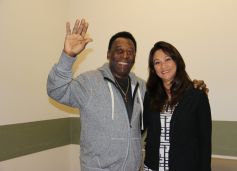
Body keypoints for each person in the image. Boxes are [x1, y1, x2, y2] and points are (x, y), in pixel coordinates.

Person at [47, 19, 208, 171]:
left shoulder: (144, 88)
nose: (125, 56)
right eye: (119, 51)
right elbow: (57, 91)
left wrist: (192, 86)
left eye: (130, 52)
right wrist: (67, 56)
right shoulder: (89, 82)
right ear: (108, 54)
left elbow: (168, 93)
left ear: (135, 57)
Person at [143, 41, 212, 171]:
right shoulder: (150, 96)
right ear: (153, 68)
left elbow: (205, 143)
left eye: (167, 59)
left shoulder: (197, 96)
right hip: (152, 167)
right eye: (157, 62)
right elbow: (139, 127)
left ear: (177, 61)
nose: (163, 66)